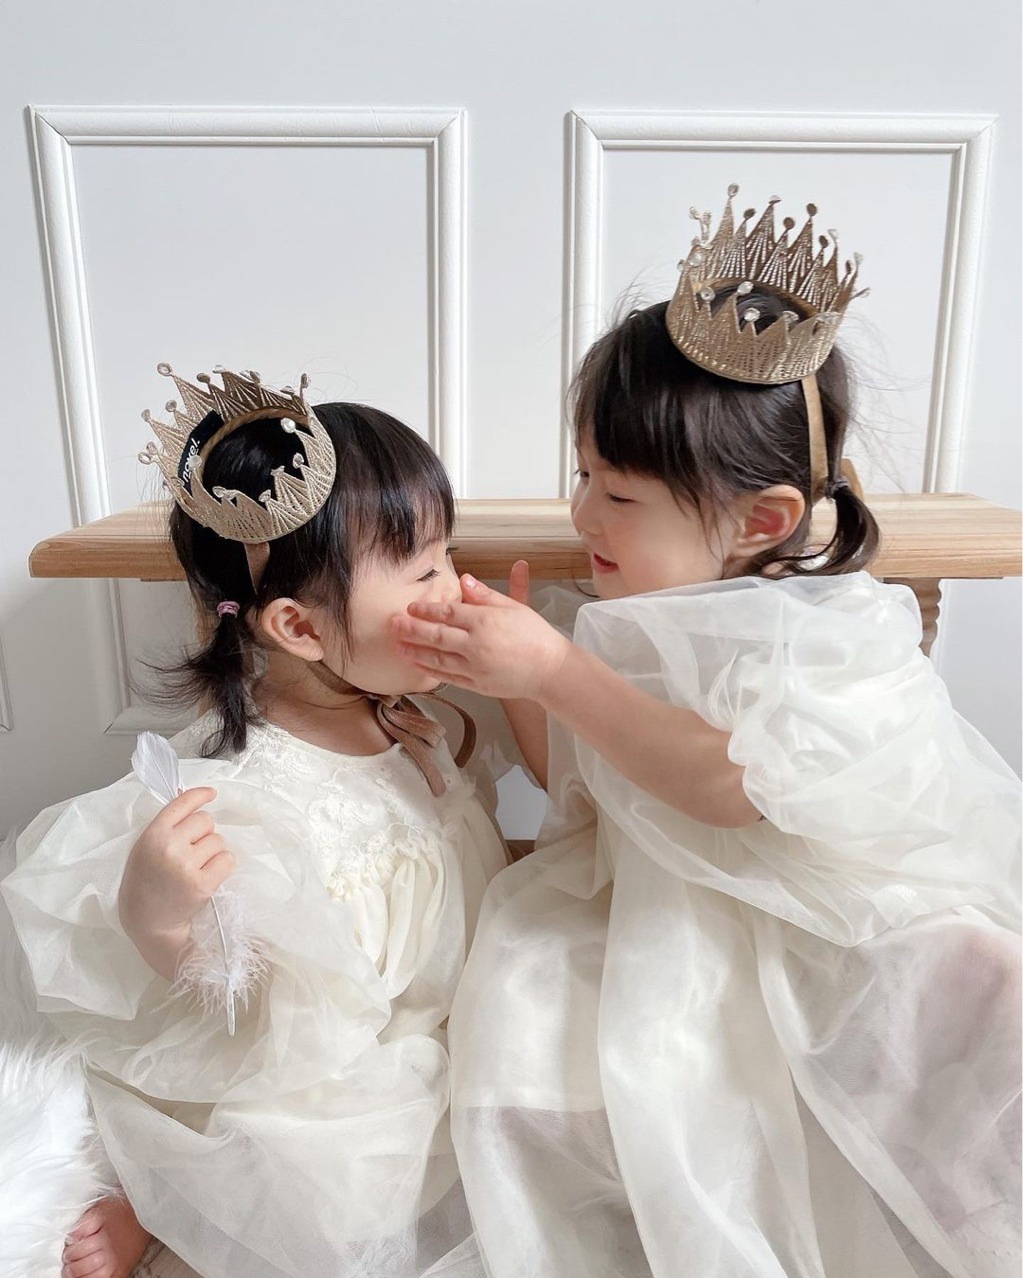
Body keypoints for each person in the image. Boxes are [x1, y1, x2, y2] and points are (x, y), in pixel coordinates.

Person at [392, 189, 1023, 1277]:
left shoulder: (822, 628)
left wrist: (555, 669)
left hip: (820, 899)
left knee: (953, 982)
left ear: (761, 521)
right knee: (542, 1034)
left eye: (619, 495)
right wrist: (523, 688)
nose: (582, 514)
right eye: (582, 476)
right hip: (652, 901)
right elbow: (579, 780)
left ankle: (964, 1197)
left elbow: (728, 788)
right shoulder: (621, 612)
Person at [3, 367, 508, 1278]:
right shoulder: (253, 802)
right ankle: (162, 1196)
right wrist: (161, 921)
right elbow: (236, 1014)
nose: (454, 588)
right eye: (423, 569)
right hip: (331, 1082)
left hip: (441, 1028)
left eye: (446, 555)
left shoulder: (403, 719)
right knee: (319, 1182)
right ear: (300, 630)